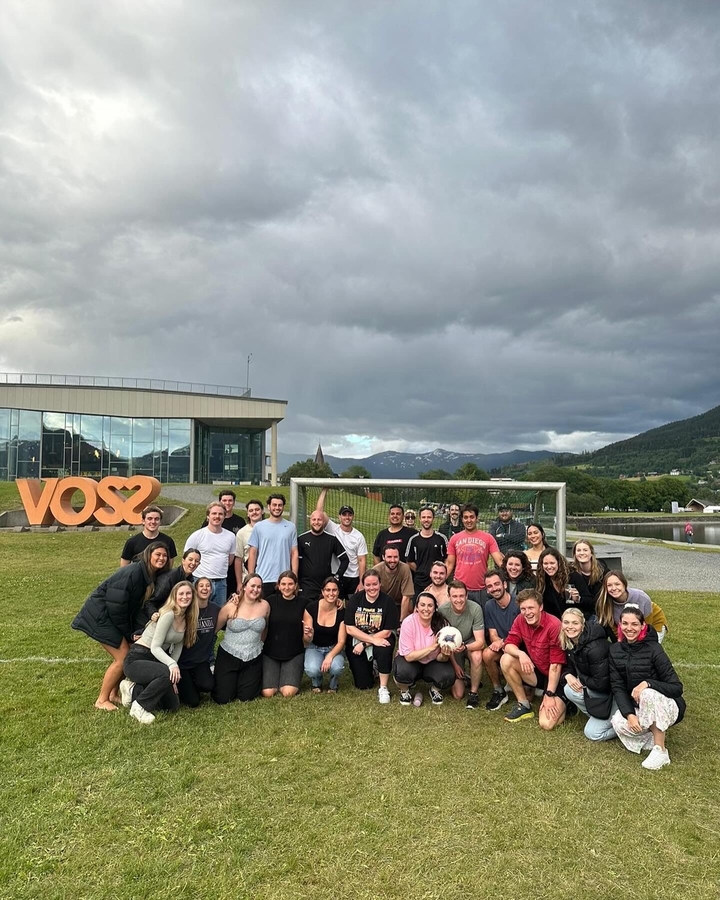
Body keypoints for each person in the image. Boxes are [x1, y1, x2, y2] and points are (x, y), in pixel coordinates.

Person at [71, 542, 171, 711]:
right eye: (158, 554)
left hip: (111, 616)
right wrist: (129, 633)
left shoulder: (147, 574)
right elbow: (116, 607)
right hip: (101, 616)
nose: (161, 558)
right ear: (149, 555)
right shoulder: (133, 572)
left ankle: (113, 694)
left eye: (164, 556)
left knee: (129, 652)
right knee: (123, 656)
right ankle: (101, 700)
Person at [609, 604, 685, 770]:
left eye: (635, 624)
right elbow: (618, 687)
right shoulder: (614, 650)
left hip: (668, 705)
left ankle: (661, 750)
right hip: (641, 708)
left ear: (643, 626)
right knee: (618, 722)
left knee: (647, 694)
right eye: (625, 624)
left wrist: (648, 683)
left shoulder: (654, 648)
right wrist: (629, 715)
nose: (630, 628)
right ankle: (653, 737)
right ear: (620, 625)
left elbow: (677, 687)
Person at [119, 580, 199, 724]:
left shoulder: (187, 618)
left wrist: (173, 674)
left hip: (155, 661)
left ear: (193, 596)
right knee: (165, 673)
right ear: (174, 596)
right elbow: (155, 647)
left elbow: (178, 646)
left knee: (172, 706)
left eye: (188, 594)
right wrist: (171, 665)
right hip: (138, 657)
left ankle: (132, 690)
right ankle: (139, 707)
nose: (185, 597)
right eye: (181, 594)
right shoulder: (168, 614)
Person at [500, 588, 567, 728]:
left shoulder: (554, 625)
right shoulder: (520, 619)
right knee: (506, 659)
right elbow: (508, 645)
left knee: (546, 724)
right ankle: (523, 705)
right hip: (539, 671)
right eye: (523, 608)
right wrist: (521, 654)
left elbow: (556, 665)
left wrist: (549, 694)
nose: (527, 612)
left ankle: (566, 702)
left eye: (531, 607)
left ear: (541, 607)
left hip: (557, 676)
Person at [559, 607, 616, 741]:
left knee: (593, 734)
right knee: (569, 688)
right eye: (566, 622)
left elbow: (602, 684)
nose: (570, 627)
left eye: (575, 623)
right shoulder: (572, 642)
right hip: (598, 691)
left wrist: (580, 678)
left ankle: (623, 725)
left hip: (614, 694)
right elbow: (570, 667)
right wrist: (567, 675)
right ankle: (600, 716)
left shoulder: (595, 648)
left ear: (582, 625)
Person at [212, 574, 270, 704]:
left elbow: (266, 627)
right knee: (223, 698)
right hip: (229, 654)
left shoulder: (265, 606)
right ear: (244, 587)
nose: (256, 589)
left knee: (246, 697)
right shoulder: (231, 606)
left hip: (253, 656)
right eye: (252, 586)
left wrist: (261, 643)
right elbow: (214, 630)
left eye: (259, 587)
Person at [344, 569, 399, 703]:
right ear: (363, 585)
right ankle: (373, 669)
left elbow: (387, 631)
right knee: (364, 684)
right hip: (357, 638)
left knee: (384, 647)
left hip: (381, 637)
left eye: (375, 584)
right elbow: (350, 628)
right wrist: (368, 640)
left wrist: (365, 644)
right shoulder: (355, 600)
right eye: (368, 585)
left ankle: (383, 687)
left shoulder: (388, 602)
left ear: (380, 584)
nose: (371, 588)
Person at [393, 592, 455, 707]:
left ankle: (435, 690)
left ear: (435, 608)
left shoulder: (443, 624)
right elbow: (408, 656)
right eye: (422, 605)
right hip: (412, 660)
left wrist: (445, 655)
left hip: (432, 662)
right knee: (402, 672)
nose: (426, 609)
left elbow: (440, 658)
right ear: (416, 607)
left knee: (448, 675)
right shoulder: (408, 622)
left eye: (430, 606)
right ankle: (405, 691)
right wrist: (431, 648)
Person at [438, 580, 485, 709]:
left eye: (461, 596)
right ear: (449, 597)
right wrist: (455, 664)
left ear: (466, 595)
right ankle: (466, 678)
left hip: (469, 642)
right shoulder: (442, 611)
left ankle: (473, 693)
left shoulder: (475, 608)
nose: (458, 600)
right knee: (458, 695)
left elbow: (480, 642)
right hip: (452, 648)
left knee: (477, 656)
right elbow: (443, 643)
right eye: (454, 596)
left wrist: (465, 647)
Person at [445, 504, 504, 606]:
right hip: (460, 589)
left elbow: (499, 560)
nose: (469, 520)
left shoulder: (488, 538)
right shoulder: (454, 539)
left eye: (472, 517)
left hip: (481, 589)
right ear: (462, 519)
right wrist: (438, 583)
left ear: (477, 518)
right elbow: (449, 564)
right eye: (466, 517)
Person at [314, 490, 368, 598]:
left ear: (353, 517)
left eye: (349, 515)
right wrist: (325, 490)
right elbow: (319, 512)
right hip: (336, 574)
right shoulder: (332, 528)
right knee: (334, 603)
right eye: (344, 515)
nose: (347, 517)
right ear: (339, 517)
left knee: (352, 605)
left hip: (353, 576)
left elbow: (362, 560)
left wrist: (361, 582)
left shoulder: (358, 536)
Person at [176, 577, 220, 707]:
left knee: (208, 686)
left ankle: (193, 680)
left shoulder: (215, 609)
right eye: (201, 585)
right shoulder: (187, 608)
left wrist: (236, 600)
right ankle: (184, 683)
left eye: (208, 586)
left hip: (200, 661)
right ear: (195, 589)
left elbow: (230, 614)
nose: (205, 588)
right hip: (182, 662)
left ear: (211, 590)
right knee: (193, 702)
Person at [261, 571, 306, 698]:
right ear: (278, 585)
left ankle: (286, 677)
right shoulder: (269, 601)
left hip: (294, 652)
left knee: (288, 693)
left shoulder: (303, 603)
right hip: (271, 652)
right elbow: (252, 604)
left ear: (296, 585)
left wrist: (338, 603)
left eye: (290, 584)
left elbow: (320, 607)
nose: (287, 587)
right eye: (283, 584)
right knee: (268, 693)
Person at [183, 502, 236, 606]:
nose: (217, 516)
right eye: (214, 513)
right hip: (200, 581)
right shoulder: (197, 535)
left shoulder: (231, 536)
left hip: (221, 583)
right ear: (208, 516)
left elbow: (230, 560)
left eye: (220, 514)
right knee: (197, 612)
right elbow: (187, 559)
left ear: (225, 516)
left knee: (219, 614)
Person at [482, 571, 521, 711]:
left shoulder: (518, 603)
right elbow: (492, 634)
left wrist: (504, 643)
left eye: (497, 584)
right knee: (487, 654)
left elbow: (522, 635)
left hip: (520, 648)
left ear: (505, 584)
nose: (494, 588)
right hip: (503, 647)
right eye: (490, 586)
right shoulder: (489, 606)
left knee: (529, 696)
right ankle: (498, 690)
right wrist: (499, 643)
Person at [247, 493, 298, 596]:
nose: (277, 508)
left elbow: (294, 553)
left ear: (283, 507)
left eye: (280, 505)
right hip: (263, 578)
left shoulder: (291, 527)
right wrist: (251, 576)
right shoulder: (259, 527)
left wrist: (294, 577)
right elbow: (252, 553)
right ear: (269, 507)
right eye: (274, 505)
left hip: (284, 580)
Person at [303, 577, 347, 693]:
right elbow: (306, 641)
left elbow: (341, 641)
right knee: (312, 669)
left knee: (336, 667)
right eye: (328, 590)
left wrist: (330, 656)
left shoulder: (342, 611)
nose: (331, 593)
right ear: (322, 592)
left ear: (338, 592)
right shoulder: (311, 608)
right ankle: (316, 683)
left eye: (334, 590)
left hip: (334, 647)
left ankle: (333, 685)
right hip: (314, 646)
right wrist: (309, 635)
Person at [200, 490, 246, 595]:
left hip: (233, 568)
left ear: (234, 502)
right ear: (220, 501)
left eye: (230, 500)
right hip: (215, 568)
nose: (227, 503)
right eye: (224, 500)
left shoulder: (239, 521)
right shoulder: (211, 521)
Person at [297, 511, 348, 602]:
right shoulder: (301, 539)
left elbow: (345, 560)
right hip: (306, 587)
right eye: (314, 519)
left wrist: (336, 577)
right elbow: (297, 562)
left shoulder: (331, 539)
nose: (316, 522)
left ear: (324, 521)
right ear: (310, 521)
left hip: (325, 587)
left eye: (319, 519)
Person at [596, 571, 652, 639]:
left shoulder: (642, 597)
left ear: (624, 584)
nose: (613, 588)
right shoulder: (605, 604)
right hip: (632, 628)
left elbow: (648, 627)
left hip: (653, 622)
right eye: (609, 585)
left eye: (617, 584)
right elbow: (616, 631)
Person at [405, 507, 449, 594]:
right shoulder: (413, 539)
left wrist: (438, 574)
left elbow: (448, 558)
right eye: (424, 517)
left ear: (433, 518)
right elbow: (409, 561)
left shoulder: (442, 538)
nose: (426, 520)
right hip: (419, 583)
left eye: (429, 517)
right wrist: (422, 570)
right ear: (420, 519)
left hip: (438, 583)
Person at [150, 548, 201, 614]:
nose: (193, 563)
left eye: (197, 561)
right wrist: (153, 613)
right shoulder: (169, 578)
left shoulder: (190, 579)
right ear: (183, 560)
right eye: (190, 559)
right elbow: (152, 602)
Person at [568, 540, 607, 620]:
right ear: (575, 554)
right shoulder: (570, 573)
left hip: (600, 611)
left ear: (591, 553)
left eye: (585, 550)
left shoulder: (602, 571)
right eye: (578, 550)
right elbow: (569, 600)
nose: (582, 553)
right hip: (581, 612)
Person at [374, 546, 415, 620]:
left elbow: (406, 597)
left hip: (399, 603)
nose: (392, 560)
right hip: (381, 603)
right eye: (389, 557)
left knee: (410, 606)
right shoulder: (376, 571)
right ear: (383, 557)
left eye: (395, 557)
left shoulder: (404, 568)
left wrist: (401, 621)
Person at [535, 547, 572, 619]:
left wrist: (578, 598)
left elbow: (589, 601)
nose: (549, 567)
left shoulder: (572, 576)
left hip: (573, 621)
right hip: (553, 622)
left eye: (552, 563)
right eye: (545, 563)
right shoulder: (543, 580)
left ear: (558, 563)